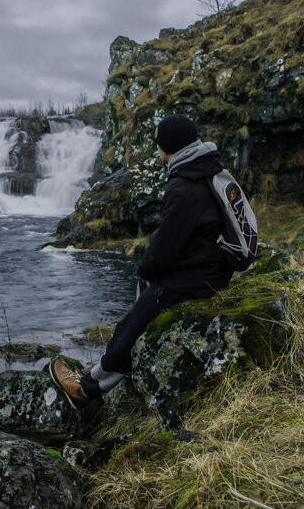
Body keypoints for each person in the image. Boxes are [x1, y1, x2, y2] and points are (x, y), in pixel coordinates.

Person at [49, 114, 235, 409]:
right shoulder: (207, 168)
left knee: (135, 322)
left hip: (198, 277)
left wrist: (149, 271)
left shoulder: (184, 185)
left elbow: (165, 246)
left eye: (158, 142)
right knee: (144, 299)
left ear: (167, 147)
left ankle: (87, 389)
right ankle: (131, 360)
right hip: (212, 267)